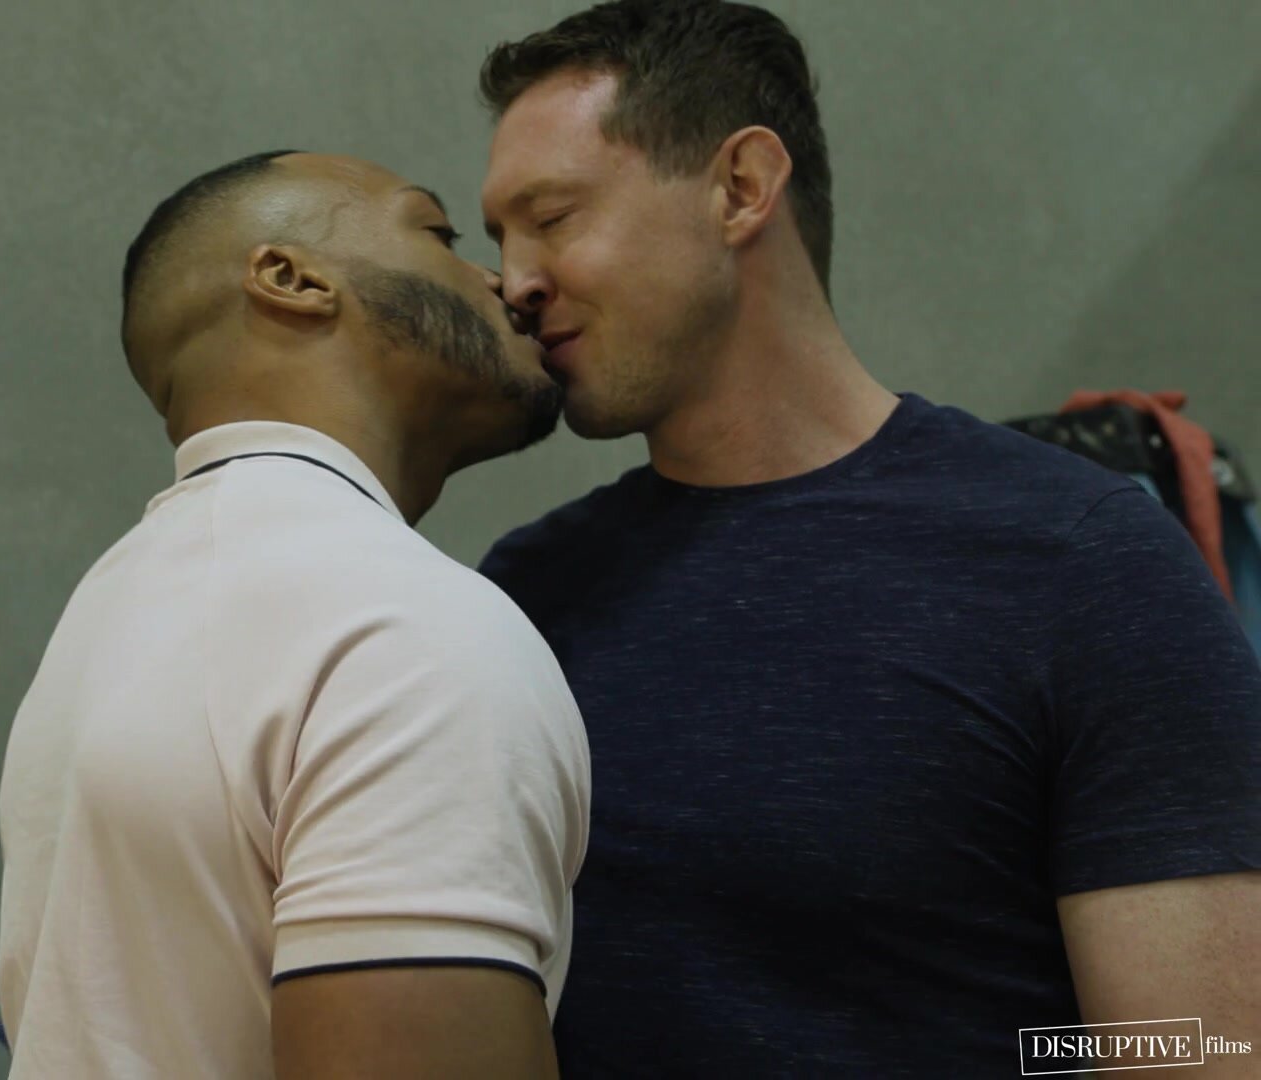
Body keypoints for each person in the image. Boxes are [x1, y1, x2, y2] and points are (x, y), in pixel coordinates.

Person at [471, 0, 1261, 1075]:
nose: (515, 282)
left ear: (741, 186)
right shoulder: (526, 596)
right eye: (500, 238)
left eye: (553, 217)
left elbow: (1198, 1046)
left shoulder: (1078, 564)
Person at [0, 150, 592, 1079]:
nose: (506, 283)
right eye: (438, 233)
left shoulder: (110, 610)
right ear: (291, 278)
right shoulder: (400, 630)